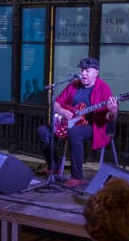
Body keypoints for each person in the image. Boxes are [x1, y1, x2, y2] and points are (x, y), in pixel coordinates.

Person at [36, 56, 118, 189]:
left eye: (87, 70)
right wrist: (62, 111)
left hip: (93, 127)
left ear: (96, 72)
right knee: (42, 131)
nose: (83, 73)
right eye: (82, 70)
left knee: (75, 132)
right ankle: (54, 166)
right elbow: (57, 103)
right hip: (70, 123)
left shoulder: (103, 88)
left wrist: (113, 111)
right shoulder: (74, 85)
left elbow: (109, 118)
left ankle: (77, 176)